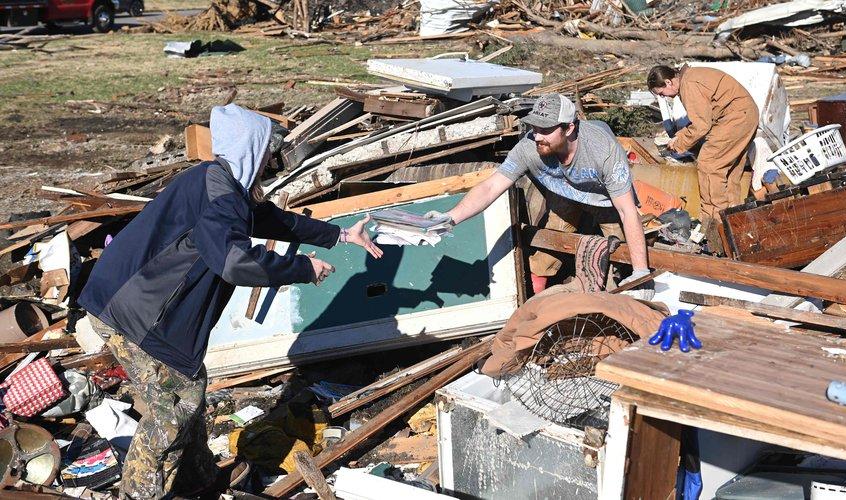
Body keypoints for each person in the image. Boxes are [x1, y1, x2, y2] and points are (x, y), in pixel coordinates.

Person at [77, 104, 383, 499]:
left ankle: (199, 482)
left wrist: (339, 235)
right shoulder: (220, 195)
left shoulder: (217, 181)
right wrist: (302, 268)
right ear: (250, 149)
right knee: (172, 409)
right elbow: (234, 262)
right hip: (140, 311)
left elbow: (270, 220)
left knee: (187, 393)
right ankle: (142, 494)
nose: (271, 160)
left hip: (132, 301)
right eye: (267, 151)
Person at [430, 93, 650, 295]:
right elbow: (491, 186)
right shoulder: (529, 147)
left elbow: (626, 210)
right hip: (564, 194)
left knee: (620, 252)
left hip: (606, 200)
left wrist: (641, 272)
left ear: (569, 128)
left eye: (545, 130)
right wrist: (450, 218)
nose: (537, 136)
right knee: (548, 246)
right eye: (535, 128)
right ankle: (537, 302)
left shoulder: (603, 151)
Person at [647, 65, 759, 246]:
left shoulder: (689, 84)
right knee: (730, 174)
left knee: (709, 165)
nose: (664, 97)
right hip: (745, 115)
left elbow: (701, 125)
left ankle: (714, 226)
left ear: (669, 82)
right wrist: (680, 136)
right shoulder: (691, 77)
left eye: (662, 93)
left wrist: (680, 144)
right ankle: (734, 225)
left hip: (735, 118)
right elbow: (705, 118)